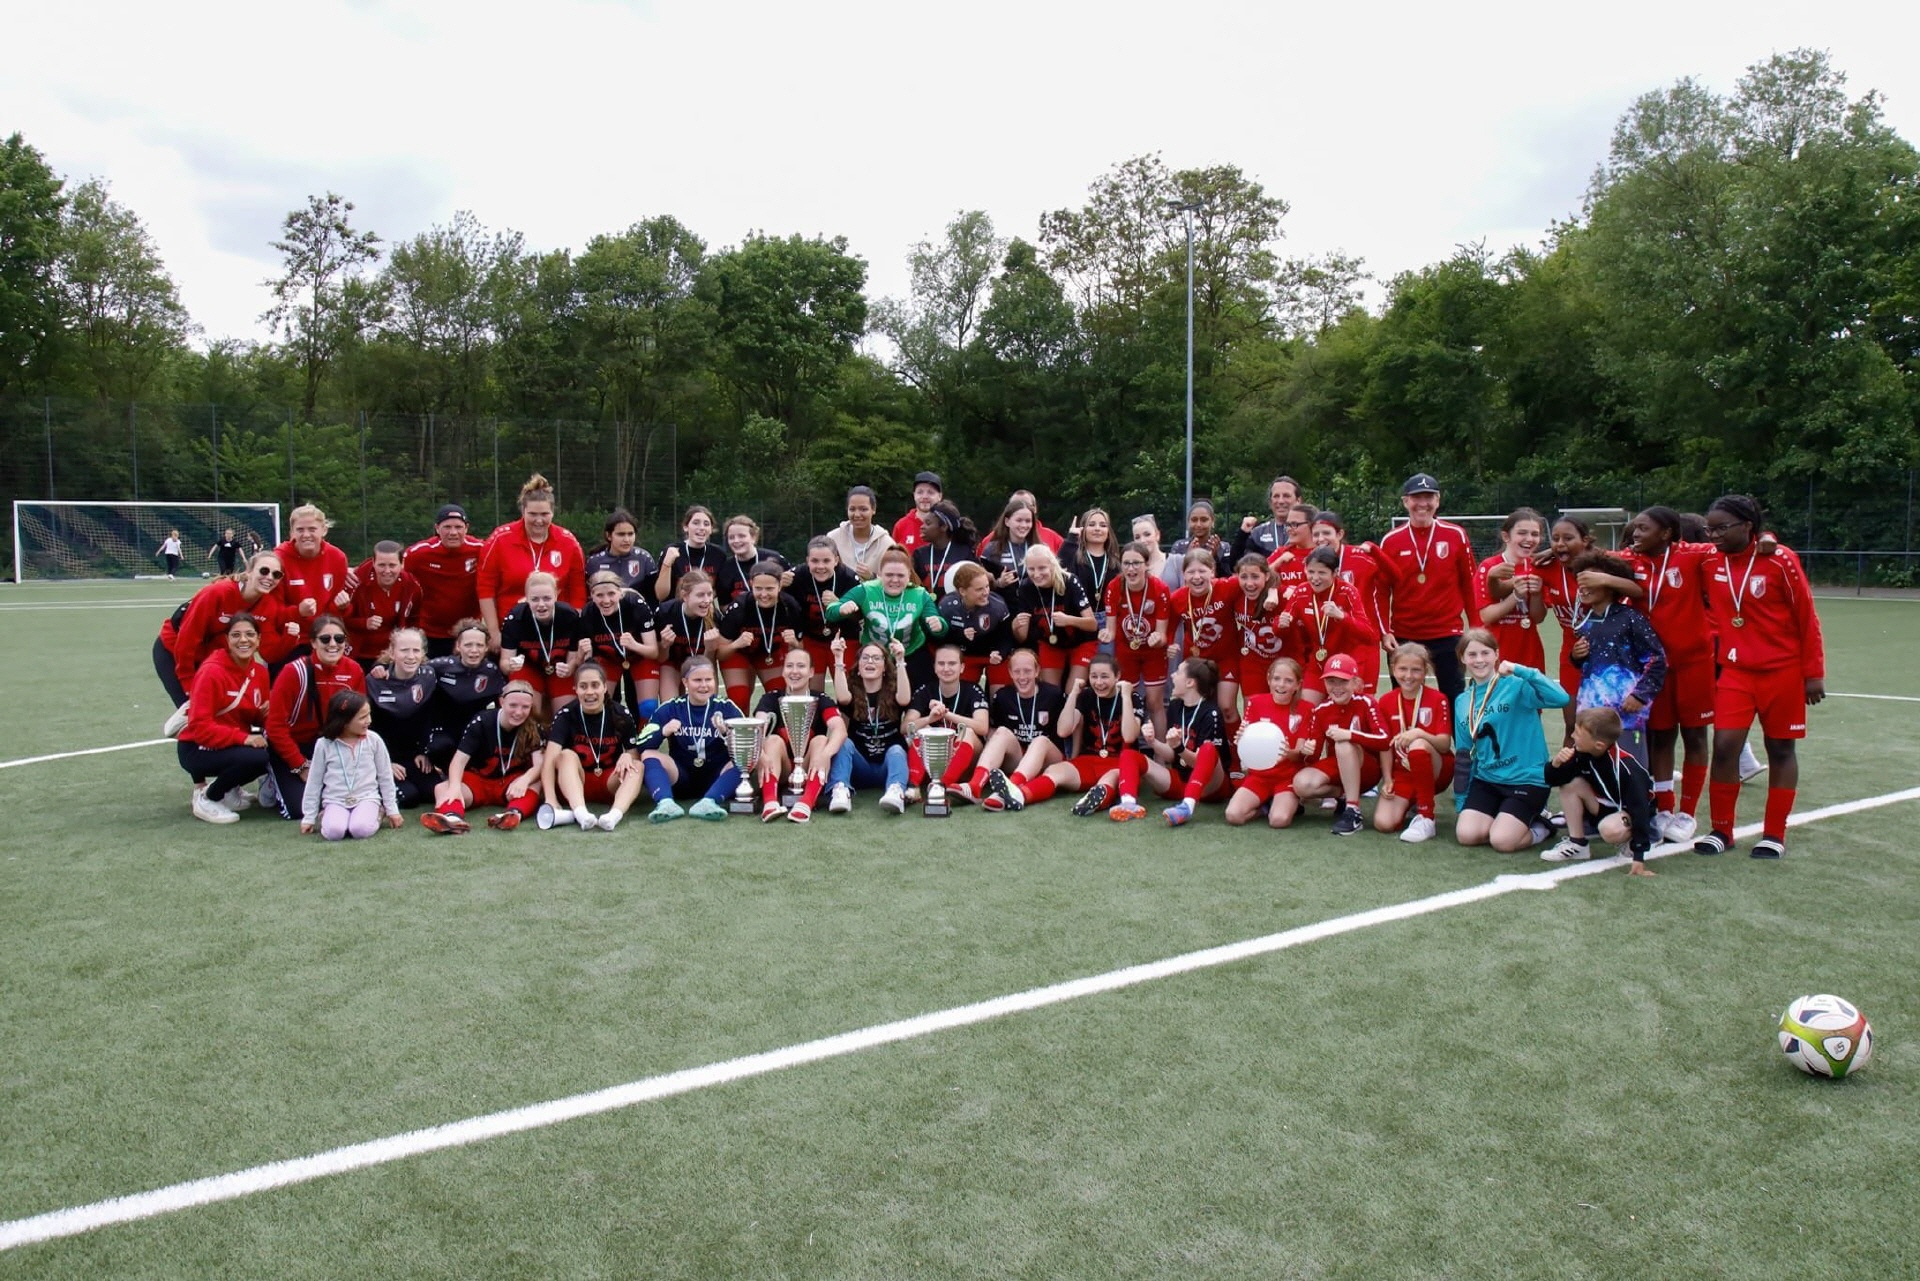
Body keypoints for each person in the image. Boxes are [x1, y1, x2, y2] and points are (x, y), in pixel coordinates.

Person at [1694, 494, 1825, 859]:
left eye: (1722, 528)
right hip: (1736, 671)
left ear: (1747, 527)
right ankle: (1722, 829)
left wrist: (1813, 674)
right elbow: (1673, 540)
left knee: (1781, 748)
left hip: (1782, 671)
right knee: (1724, 747)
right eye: (1710, 528)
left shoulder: (1779, 559)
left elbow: (1806, 617)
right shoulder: (1708, 558)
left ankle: (1774, 834)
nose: (1714, 535)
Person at [1614, 505, 1720, 842]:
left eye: (1644, 529)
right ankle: (1664, 808)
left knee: (1694, 736)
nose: (1636, 535)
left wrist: (1766, 537)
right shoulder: (1631, 561)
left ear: (1667, 533)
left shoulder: (1694, 556)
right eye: (1634, 529)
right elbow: (1587, 557)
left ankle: (1687, 813)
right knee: (1660, 737)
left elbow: (1737, 547)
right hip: (1652, 667)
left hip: (1694, 664)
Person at [1453, 630, 1570, 852]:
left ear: (1496, 655)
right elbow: (1464, 752)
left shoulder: (1516, 686)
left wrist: (1521, 670)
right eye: (1472, 654)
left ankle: (1543, 827)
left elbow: (1561, 698)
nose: (1479, 660)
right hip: (1487, 780)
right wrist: (1462, 801)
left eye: (1485, 653)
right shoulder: (1462, 701)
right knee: (1467, 835)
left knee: (1502, 841)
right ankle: (1505, 816)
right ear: (1463, 658)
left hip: (1527, 779)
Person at [983, 656, 1138, 814]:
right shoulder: (1086, 696)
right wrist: (1073, 694)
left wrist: (1126, 697)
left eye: (1104, 676)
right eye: (1094, 676)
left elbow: (1129, 736)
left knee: (1110, 778)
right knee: (1054, 772)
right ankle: (1020, 795)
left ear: (1117, 676)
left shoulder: (1132, 698)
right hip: (1087, 761)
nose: (1099, 682)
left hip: (1120, 763)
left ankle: (1093, 801)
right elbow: (1063, 731)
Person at [1376, 474, 1476, 709]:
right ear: (1405, 502)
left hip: (1447, 632)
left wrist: (1477, 626)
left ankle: (1460, 746)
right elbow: (1380, 591)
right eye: (1416, 498)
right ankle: (1404, 745)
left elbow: (1469, 584)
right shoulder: (1391, 540)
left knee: (1454, 696)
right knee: (1404, 697)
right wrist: (1384, 631)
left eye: (1429, 497)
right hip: (1404, 635)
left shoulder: (1456, 535)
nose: (1423, 503)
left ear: (1438, 500)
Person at [1565, 551, 1667, 767]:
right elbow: (1586, 665)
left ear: (1611, 585)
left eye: (1591, 580)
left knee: (1629, 769)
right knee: (1590, 772)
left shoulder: (1631, 618)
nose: (1583, 587)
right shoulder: (1585, 622)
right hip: (1590, 714)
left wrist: (1640, 696)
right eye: (1581, 581)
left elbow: (1656, 659)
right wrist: (1576, 656)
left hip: (1626, 716)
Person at [264, 615, 368, 820]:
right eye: (325, 639)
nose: (333, 644)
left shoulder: (353, 670)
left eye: (339, 639)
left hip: (330, 745)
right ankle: (271, 781)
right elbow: (275, 726)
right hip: (293, 746)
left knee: (352, 799)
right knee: (299, 809)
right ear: (312, 642)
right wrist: (300, 765)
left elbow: (360, 722)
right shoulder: (294, 672)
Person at [177, 612, 272, 825]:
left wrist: (265, 713)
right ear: (227, 640)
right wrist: (244, 739)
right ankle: (208, 796)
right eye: (236, 635)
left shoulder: (259, 672)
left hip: (227, 743)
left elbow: (254, 717)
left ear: (258, 639)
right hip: (196, 748)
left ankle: (229, 788)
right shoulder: (211, 671)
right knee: (257, 758)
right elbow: (200, 727)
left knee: (271, 749)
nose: (243, 640)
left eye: (250, 634)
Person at [1111, 657, 1230, 826]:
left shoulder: (1211, 712)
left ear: (1190, 682)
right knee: (1129, 755)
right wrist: (1152, 742)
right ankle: (1128, 803)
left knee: (1208, 749)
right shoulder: (1175, 706)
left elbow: (1202, 762)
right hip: (1181, 779)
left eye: (1178, 672)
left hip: (1210, 786)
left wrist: (1179, 747)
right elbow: (1172, 755)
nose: (1173, 675)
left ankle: (1187, 807)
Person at [476, 473, 588, 650]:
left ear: (553, 512)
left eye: (545, 514)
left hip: (557, 633)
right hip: (513, 630)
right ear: (523, 511)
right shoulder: (500, 539)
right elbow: (485, 590)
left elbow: (578, 592)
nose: (539, 520)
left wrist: (575, 632)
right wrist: (495, 633)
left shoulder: (568, 542)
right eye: (533, 514)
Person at [170, 550, 301, 697]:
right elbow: (188, 637)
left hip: (211, 658)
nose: (269, 577)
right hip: (175, 651)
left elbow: (268, 653)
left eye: (276, 575)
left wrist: (289, 638)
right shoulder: (219, 592)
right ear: (249, 571)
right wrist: (188, 682)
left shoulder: (268, 605)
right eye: (264, 571)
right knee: (194, 708)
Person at [421, 681, 547, 833]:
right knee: (442, 787)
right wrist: (454, 788)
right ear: (502, 701)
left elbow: (539, 765)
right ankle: (453, 818)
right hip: (479, 780)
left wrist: (525, 779)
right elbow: (459, 761)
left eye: (525, 707)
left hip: (510, 783)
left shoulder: (533, 727)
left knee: (536, 783)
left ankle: (512, 814)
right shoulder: (482, 721)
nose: (518, 712)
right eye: (513, 705)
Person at [1542, 707, 1656, 873]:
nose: (1572, 736)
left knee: (1609, 830)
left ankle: (1630, 842)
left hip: (1630, 813)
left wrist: (1639, 856)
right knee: (1570, 784)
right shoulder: (1582, 752)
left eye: (1578, 734)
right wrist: (1556, 764)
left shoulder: (1627, 769)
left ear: (1599, 745)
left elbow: (1641, 810)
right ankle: (1577, 843)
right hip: (1604, 807)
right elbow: (1553, 781)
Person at [1288, 653, 1392, 836]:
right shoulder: (1321, 710)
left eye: (1343, 681)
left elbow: (1385, 740)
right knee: (1301, 784)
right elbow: (1313, 756)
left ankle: (1353, 811)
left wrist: (1351, 735)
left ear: (1355, 683)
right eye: (1331, 681)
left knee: (1343, 744)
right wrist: (1306, 751)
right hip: (1339, 766)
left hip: (1367, 768)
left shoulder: (1366, 703)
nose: (1336, 688)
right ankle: (1343, 796)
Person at [634, 656, 747, 822]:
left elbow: (747, 746)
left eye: (708, 679)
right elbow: (642, 745)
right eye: (697, 680)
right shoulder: (671, 707)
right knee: (649, 754)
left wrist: (726, 733)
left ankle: (711, 801)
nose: (704, 685)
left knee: (746, 760)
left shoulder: (727, 708)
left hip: (716, 776)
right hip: (681, 777)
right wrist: (663, 731)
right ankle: (665, 803)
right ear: (685, 682)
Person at [539, 661, 644, 830]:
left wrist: (627, 756)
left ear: (604, 687)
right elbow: (549, 761)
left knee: (637, 766)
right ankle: (581, 813)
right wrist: (550, 797)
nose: (589, 692)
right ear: (575, 689)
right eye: (583, 686)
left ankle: (613, 816)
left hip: (610, 782)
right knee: (565, 755)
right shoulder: (566, 715)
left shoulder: (621, 714)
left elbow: (634, 754)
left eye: (595, 685)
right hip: (575, 782)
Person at [831, 548, 948, 694]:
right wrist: (841, 609)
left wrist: (939, 625)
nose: (894, 580)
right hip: (874, 657)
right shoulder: (866, 590)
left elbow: (939, 629)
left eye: (900, 575)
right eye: (889, 575)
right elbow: (831, 612)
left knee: (920, 706)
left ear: (909, 576)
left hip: (912, 655)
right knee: (877, 708)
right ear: (879, 574)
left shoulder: (919, 594)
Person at [1370, 643, 1454, 843]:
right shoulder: (1386, 701)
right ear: (1392, 670)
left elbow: (1443, 744)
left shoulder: (1438, 699)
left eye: (1416, 670)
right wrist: (1388, 779)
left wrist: (1420, 733)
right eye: (1403, 669)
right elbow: (1385, 746)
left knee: (1418, 746)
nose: (1409, 676)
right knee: (1384, 823)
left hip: (1437, 769)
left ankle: (1426, 817)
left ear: (1426, 671)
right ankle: (1412, 802)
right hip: (1403, 772)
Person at [752, 647, 846, 823]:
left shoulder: (821, 699)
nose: (794, 671)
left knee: (821, 740)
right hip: (781, 767)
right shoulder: (771, 698)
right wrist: (760, 754)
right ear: (783, 670)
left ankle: (806, 803)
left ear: (811, 672)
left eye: (801, 666)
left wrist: (826, 754)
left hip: (809, 765)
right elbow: (758, 727)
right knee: (772, 740)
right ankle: (770, 803)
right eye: (789, 666)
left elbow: (839, 729)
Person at [963, 648, 1066, 805]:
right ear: (1010, 673)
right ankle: (975, 786)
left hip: (1048, 759)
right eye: (1017, 671)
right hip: (1018, 758)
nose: (1022, 677)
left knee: (1040, 740)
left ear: (1037, 671)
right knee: (1001, 732)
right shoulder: (1003, 696)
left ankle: (1010, 787)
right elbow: (992, 731)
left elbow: (1067, 730)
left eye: (1027, 671)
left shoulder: (1054, 695)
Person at [1278, 547, 1379, 704]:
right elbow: (1280, 630)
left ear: (1335, 572)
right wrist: (1281, 624)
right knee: (1307, 709)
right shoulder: (1301, 591)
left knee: (1348, 711)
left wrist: (1342, 616)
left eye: (1322, 573)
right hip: (1318, 663)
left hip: (1346, 664)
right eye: (1311, 572)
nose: (1315, 578)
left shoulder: (1348, 592)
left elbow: (1369, 635)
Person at [299, 691, 404, 839]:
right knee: (333, 833)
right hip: (335, 800)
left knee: (360, 830)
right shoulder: (324, 744)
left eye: (369, 714)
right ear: (344, 721)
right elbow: (314, 781)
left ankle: (378, 813)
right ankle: (327, 816)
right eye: (362, 717)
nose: (369, 720)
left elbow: (385, 776)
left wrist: (392, 810)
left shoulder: (374, 740)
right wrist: (309, 817)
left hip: (367, 798)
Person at [1224, 658, 1315, 828]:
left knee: (1279, 821)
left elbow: (1300, 755)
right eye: (1276, 679)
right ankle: (1264, 808)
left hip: (1286, 776)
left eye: (1288, 681)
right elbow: (1246, 741)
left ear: (1298, 684)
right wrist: (1241, 739)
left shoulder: (1306, 708)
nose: (1281, 685)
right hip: (1259, 776)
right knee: (1233, 815)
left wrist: (1288, 753)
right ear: (1268, 680)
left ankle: (1280, 804)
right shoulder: (1256, 702)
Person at [826, 637, 914, 814]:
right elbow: (842, 698)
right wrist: (838, 658)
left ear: (884, 667)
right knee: (844, 743)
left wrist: (900, 660)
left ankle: (896, 791)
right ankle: (840, 789)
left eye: (876, 658)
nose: (870, 661)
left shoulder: (892, 690)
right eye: (865, 658)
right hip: (860, 766)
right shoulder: (853, 692)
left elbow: (905, 699)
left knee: (897, 750)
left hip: (887, 767)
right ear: (858, 667)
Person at [903, 643, 990, 803]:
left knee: (968, 732)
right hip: (932, 762)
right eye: (941, 663)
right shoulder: (925, 690)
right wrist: (930, 719)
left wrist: (947, 714)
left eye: (952, 663)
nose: (946, 668)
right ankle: (913, 786)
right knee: (922, 729)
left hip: (966, 761)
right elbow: (905, 727)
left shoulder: (973, 690)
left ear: (962, 667)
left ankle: (943, 786)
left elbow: (982, 727)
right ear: (934, 667)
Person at [1310, 511, 1388, 688]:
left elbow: (1394, 579)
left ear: (1340, 534)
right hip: (1327, 642)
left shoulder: (1361, 557)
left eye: (1326, 533)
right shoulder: (1310, 562)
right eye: (1316, 534)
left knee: (1359, 700)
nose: (1321, 538)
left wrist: (1375, 551)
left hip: (1361, 641)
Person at [1167, 548, 1242, 731]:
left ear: (1212, 571)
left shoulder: (1227, 586)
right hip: (1196, 661)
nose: (1196, 577)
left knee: (1227, 708)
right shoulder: (1177, 598)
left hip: (1226, 657)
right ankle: (1200, 751)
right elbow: (1168, 628)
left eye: (1202, 571)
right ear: (1183, 575)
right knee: (1198, 708)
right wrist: (1170, 644)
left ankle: (1235, 758)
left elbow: (1258, 574)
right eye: (1191, 572)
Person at [497, 570, 590, 718]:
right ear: (526, 598)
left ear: (556, 596)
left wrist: (569, 668)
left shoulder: (569, 616)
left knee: (565, 715)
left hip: (558, 667)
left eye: (547, 598)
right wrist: (511, 665)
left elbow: (572, 660)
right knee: (526, 712)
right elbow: (504, 662)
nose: (541, 605)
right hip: (528, 666)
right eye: (534, 599)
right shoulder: (515, 618)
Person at [1102, 541, 1172, 737]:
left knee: (1154, 702)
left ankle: (1160, 753)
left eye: (1136, 563)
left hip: (1153, 653)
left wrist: (1157, 637)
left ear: (1146, 565)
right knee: (1126, 700)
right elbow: (1111, 629)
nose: (1131, 569)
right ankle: (1127, 749)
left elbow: (1162, 635)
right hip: (1125, 651)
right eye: (1126, 563)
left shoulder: (1159, 588)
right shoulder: (1114, 587)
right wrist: (1106, 634)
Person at [715, 560, 806, 709]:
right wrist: (736, 644)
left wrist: (795, 643)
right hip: (738, 654)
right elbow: (720, 653)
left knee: (780, 699)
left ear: (780, 585)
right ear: (751, 584)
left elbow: (801, 648)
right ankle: (742, 732)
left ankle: (773, 731)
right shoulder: (740, 606)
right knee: (739, 699)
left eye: (770, 588)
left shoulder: (790, 606)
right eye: (758, 588)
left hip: (769, 654)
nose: (764, 594)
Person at [366, 627, 440, 808]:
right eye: (404, 650)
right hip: (384, 756)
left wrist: (424, 751)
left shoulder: (428, 677)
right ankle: (371, 785)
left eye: (416, 650)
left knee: (433, 792)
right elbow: (365, 729)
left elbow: (429, 718)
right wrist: (384, 763)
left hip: (412, 755)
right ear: (392, 653)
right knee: (409, 798)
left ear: (423, 653)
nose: (411, 656)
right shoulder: (374, 681)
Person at [403, 504, 486, 659]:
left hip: (468, 633)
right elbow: (391, 566)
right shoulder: (419, 554)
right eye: (447, 527)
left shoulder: (481, 549)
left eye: (458, 527)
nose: (453, 532)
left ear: (466, 528)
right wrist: (351, 573)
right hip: (430, 632)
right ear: (437, 528)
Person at [1475, 508, 1549, 672]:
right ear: (1506, 536)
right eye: (1522, 533)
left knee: (1530, 696)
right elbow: (1486, 616)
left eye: (1535, 534)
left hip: (1529, 650)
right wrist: (1515, 596)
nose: (1529, 539)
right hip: (1495, 651)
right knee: (1496, 696)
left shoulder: (1538, 568)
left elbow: (1538, 618)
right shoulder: (1489, 567)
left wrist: (1536, 595)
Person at [1012, 545, 1096, 688]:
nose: (1036, 574)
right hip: (1050, 644)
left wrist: (1069, 620)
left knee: (1074, 691)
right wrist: (1015, 626)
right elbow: (1022, 637)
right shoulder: (1026, 587)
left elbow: (1093, 625)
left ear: (1052, 565)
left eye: (1042, 568)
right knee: (1050, 693)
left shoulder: (1069, 581)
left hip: (1081, 642)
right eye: (1031, 569)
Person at [582, 569, 659, 712]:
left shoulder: (635, 604)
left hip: (640, 657)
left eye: (611, 594)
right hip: (608, 658)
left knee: (648, 707)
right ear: (591, 595)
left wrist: (634, 645)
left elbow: (653, 651)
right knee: (599, 705)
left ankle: (644, 734)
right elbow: (589, 657)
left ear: (620, 592)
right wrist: (585, 653)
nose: (606, 601)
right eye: (599, 595)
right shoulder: (588, 613)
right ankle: (609, 733)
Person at [794, 538, 860, 692]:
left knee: (848, 688)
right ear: (807, 561)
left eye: (826, 561)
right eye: (815, 561)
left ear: (836, 560)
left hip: (845, 639)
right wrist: (780, 584)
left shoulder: (849, 578)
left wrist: (840, 604)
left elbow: (861, 616)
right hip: (812, 639)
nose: (820, 566)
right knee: (812, 690)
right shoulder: (798, 575)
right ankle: (816, 716)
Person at [937, 561, 1012, 692]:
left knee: (1000, 694)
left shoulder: (998, 606)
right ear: (962, 591)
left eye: (987, 587)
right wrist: (961, 636)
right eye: (979, 589)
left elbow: (1006, 637)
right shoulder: (948, 606)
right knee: (960, 694)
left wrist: (1000, 653)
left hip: (993, 655)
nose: (986, 593)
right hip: (966, 656)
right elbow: (941, 640)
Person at [344, 540, 422, 662]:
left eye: (392, 565)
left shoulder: (411, 586)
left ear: (402, 564)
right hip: (359, 653)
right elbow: (340, 619)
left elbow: (414, 619)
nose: (387, 571)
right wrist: (364, 623)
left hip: (393, 655)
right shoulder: (355, 583)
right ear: (373, 563)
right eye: (381, 565)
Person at [650, 569, 720, 703]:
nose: (707, 600)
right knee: (671, 706)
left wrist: (710, 649)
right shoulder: (666, 612)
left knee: (707, 705)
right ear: (685, 596)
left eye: (709, 594)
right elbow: (661, 658)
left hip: (702, 664)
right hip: (672, 663)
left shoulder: (714, 616)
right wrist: (664, 646)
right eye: (700, 595)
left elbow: (708, 662)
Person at [274, 504, 352, 622]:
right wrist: (298, 611)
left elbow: (337, 610)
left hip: (324, 633)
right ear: (292, 533)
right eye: (300, 530)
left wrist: (342, 606)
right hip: (290, 633)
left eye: (312, 529)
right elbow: (273, 611)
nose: (306, 535)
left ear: (324, 530)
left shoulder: (337, 557)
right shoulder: (278, 559)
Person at [1061, 507, 1120, 654]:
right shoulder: (1074, 556)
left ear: (1109, 531)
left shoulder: (1116, 561)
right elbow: (1057, 569)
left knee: (1104, 668)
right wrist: (1071, 539)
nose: (1097, 529)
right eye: (1092, 524)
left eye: (1103, 525)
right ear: (1083, 529)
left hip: (1108, 622)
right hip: (1080, 620)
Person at [824, 485, 898, 581]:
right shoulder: (832, 538)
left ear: (873, 509)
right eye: (852, 509)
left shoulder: (887, 544)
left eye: (863, 509)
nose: (857, 514)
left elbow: (895, 580)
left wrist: (872, 577)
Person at [585, 508, 659, 601]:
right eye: (621, 534)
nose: (627, 539)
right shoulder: (594, 562)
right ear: (609, 535)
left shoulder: (644, 559)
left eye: (630, 534)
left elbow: (653, 596)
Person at [654, 505, 723, 602]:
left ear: (711, 529)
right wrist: (667, 564)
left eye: (706, 524)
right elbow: (661, 595)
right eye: (696, 523)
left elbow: (719, 591)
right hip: (675, 611)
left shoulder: (718, 554)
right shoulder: (672, 551)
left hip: (704, 608)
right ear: (686, 527)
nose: (701, 528)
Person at [1232, 476, 1304, 562]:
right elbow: (1237, 565)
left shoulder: (1309, 530)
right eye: (1276, 496)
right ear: (1270, 502)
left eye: (1286, 496)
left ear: (1298, 501)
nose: (1280, 501)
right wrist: (1242, 534)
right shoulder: (1258, 534)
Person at [912, 501, 979, 595]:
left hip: (954, 608)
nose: (922, 527)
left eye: (928, 523)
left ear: (944, 527)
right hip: (925, 607)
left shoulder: (964, 553)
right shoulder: (919, 554)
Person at [978, 500, 1039, 601]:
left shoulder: (1040, 549)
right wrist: (999, 583)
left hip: (1033, 606)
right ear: (1007, 521)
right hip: (1003, 607)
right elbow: (980, 584)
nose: (1024, 525)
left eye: (1028, 521)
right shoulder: (992, 549)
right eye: (1019, 520)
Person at [1167, 500, 1234, 579]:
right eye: (1194, 520)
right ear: (1188, 522)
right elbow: (1175, 578)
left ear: (1212, 522)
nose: (1198, 524)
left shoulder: (1224, 547)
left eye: (1204, 520)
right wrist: (1187, 557)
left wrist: (1215, 557)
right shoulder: (1179, 546)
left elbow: (1227, 579)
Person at [1263, 503, 1319, 594]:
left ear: (1313, 525)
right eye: (1287, 524)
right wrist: (1278, 562)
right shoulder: (1281, 553)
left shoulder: (1323, 554)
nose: (1289, 529)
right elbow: (1258, 577)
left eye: (1294, 524)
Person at [891, 471, 945, 553]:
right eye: (920, 492)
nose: (925, 497)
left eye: (930, 492)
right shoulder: (901, 526)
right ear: (914, 495)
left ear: (940, 496)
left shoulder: (945, 526)